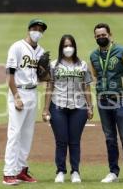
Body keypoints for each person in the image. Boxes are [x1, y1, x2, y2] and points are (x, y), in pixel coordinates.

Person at [89, 23, 123, 185]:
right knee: (110, 138)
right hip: (103, 101)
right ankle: (113, 172)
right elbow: (95, 76)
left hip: (121, 100)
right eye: (98, 36)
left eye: (103, 35)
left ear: (110, 34)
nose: (101, 38)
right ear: (95, 38)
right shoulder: (93, 56)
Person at [42, 34, 93, 183]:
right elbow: (49, 87)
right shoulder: (53, 65)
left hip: (79, 107)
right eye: (65, 46)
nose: (68, 48)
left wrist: (90, 107)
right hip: (58, 106)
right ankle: (60, 171)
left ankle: (75, 171)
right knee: (61, 140)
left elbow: (87, 86)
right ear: (61, 48)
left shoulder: (82, 65)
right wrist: (45, 109)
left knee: (75, 141)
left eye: (70, 45)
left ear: (75, 47)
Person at [2, 19, 47, 185]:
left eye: (41, 29)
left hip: (32, 92)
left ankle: (21, 170)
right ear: (29, 29)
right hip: (19, 91)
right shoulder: (17, 47)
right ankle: (8, 173)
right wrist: (16, 96)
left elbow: (41, 77)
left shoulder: (41, 51)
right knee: (14, 133)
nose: (37, 31)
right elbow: (9, 74)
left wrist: (45, 72)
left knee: (27, 134)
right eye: (35, 28)